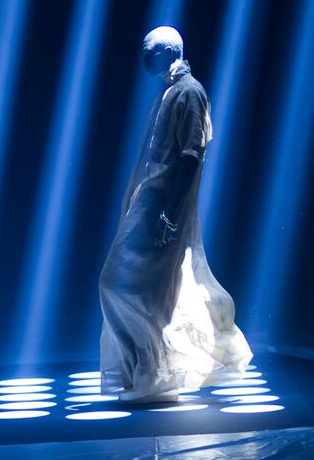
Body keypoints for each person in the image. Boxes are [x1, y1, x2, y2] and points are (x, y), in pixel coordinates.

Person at [98, 26, 253, 404]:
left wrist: (170, 212)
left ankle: (155, 374)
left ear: (169, 51)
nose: (143, 58)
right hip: (150, 202)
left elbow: (191, 155)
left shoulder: (189, 92)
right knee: (144, 288)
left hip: (162, 207)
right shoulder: (170, 92)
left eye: (148, 51)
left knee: (121, 285)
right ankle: (148, 372)